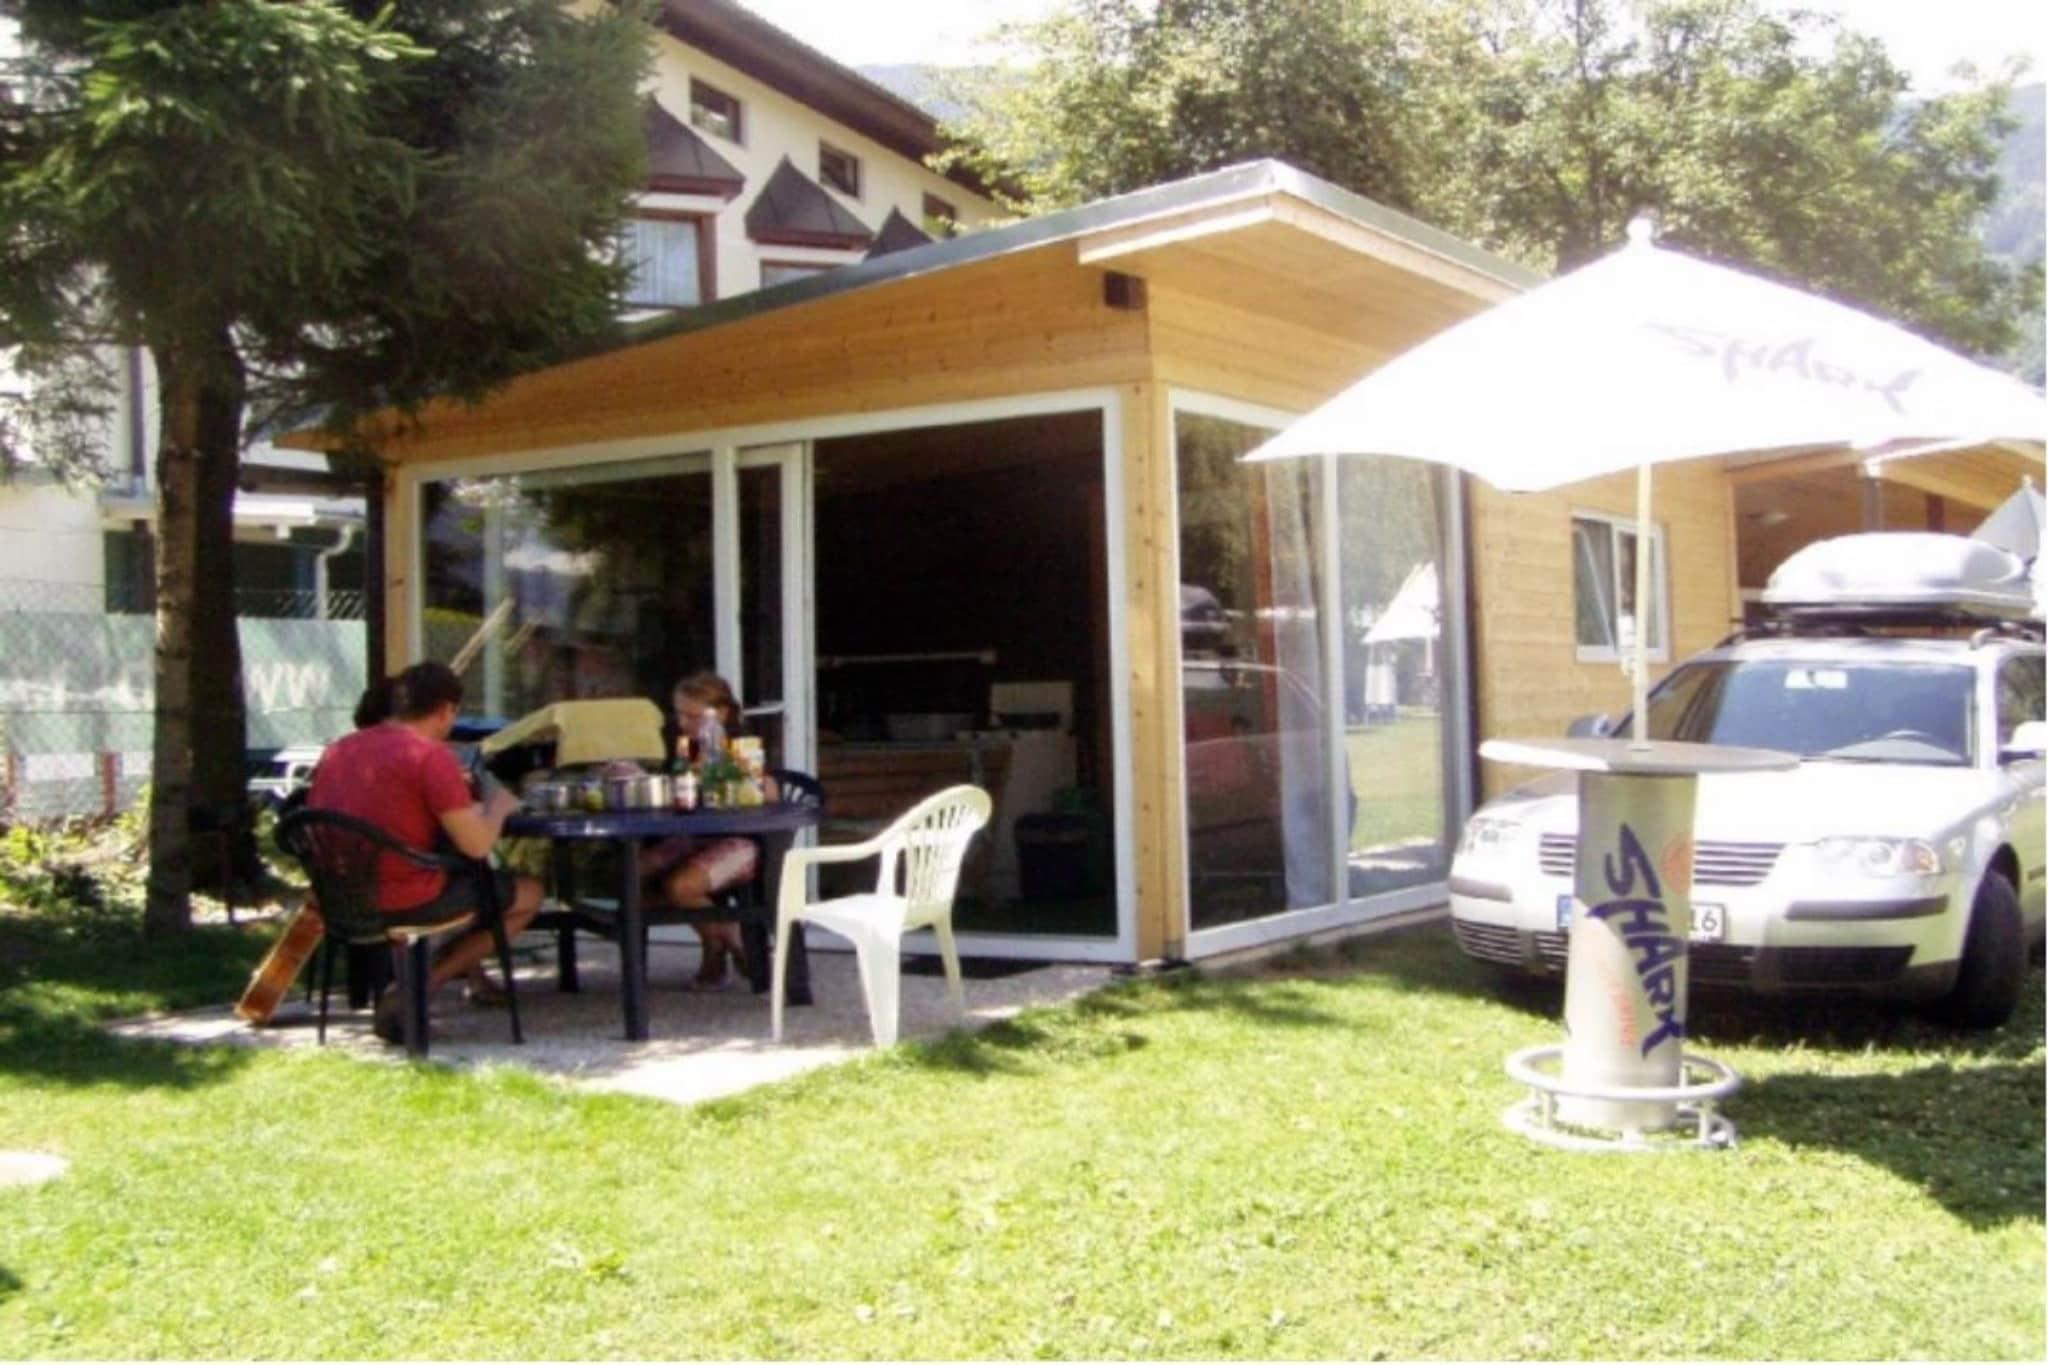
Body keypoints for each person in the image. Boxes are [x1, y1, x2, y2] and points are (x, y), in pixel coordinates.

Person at [307, 661, 543, 1042]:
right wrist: (499, 806)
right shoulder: (430, 756)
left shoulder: (339, 750)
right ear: (447, 710)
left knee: (472, 881)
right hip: (408, 900)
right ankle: (420, 987)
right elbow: (477, 845)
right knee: (528, 893)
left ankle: (418, 985)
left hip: (340, 899)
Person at [651, 671, 777, 988]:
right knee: (636, 874)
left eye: (692, 716)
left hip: (743, 841)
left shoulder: (741, 748)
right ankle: (724, 940)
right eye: (679, 714)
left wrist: (749, 779)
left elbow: (770, 794)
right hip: (696, 837)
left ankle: (725, 943)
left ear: (720, 713)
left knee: (681, 887)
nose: (683, 723)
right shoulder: (688, 746)